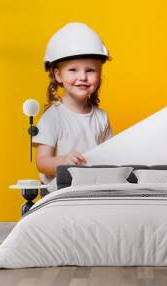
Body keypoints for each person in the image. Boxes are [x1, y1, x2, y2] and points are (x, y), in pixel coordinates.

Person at [33, 22, 113, 193]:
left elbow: (110, 156)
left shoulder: (102, 118)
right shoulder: (52, 117)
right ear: (58, 75)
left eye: (90, 70)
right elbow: (42, 162)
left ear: (100, 74)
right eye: (73, 70)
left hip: (93, 190)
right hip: (60, 193)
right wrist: (63, 161)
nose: (82, 77)